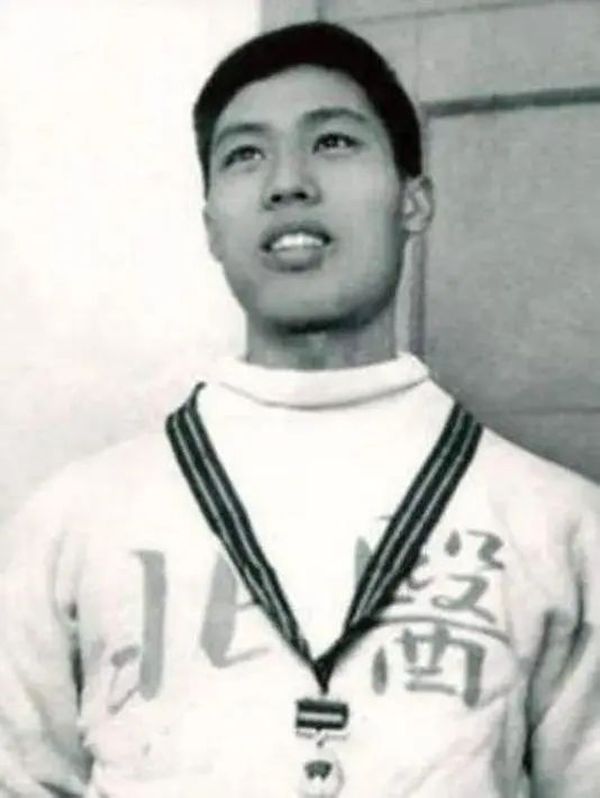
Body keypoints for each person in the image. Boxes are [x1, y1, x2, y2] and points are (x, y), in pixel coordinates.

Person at [1, 21, 599, 798]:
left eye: (334, 142)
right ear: (212, 226)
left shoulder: (560, 526)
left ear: (413, 200)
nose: (288, 182)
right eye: (244, 154)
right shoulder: (72, 522)